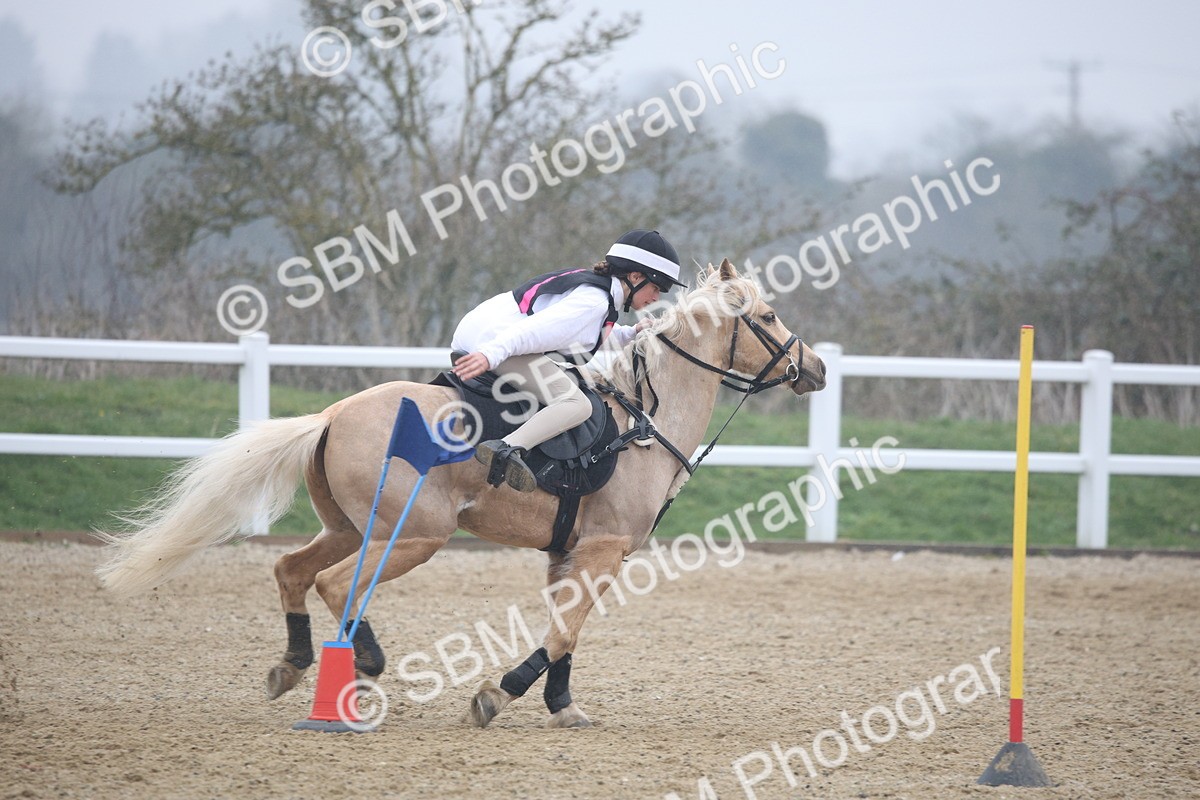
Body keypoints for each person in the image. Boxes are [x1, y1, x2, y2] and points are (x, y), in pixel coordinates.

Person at [451, 229, 686, 492]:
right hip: (494, 342)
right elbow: (533, 332)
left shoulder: (599, 295)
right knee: (576, 404)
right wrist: (490, 354)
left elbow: (581, 332)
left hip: (487, 334)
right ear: (634, 276)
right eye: (656, 287)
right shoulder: (594, 303)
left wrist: (629, 334)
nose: (657, 298)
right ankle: (506, 449)